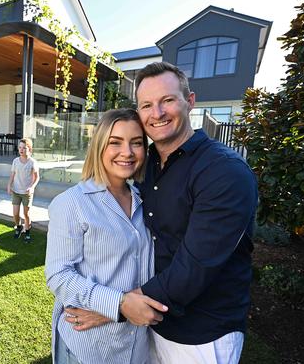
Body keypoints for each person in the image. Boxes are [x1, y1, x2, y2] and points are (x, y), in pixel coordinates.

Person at [68, 62, 259, 363]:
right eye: (146, 105)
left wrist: (115, 306)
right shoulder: (147, 166)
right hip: (149, 326)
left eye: (167, 100)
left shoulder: (224, 172)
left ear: (190, 101)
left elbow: (194, 267)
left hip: (201, 333)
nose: (156, 113)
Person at [45, 108, 169, 364]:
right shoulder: (71, 203)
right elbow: (58, 275)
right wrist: (119, 305)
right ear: (99, 146)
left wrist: (114, 311)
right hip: (89, 348)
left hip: (136, 346)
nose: (127, 152)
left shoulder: (144, 201)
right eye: (115, 142)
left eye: (136, 143)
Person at [7, 137, 40, 242]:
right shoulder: (15, 161)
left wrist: (32, 187)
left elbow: (37, 177)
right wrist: (9, 185)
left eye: (24, 148)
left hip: (27, 193)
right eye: (20, 147)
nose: (21, 150)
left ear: (29, 149)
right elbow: (12, 175)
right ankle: (19, 226)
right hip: (16, 191)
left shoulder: (32, 162)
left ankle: (27, 232)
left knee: (26, 214)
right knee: (15, 213)